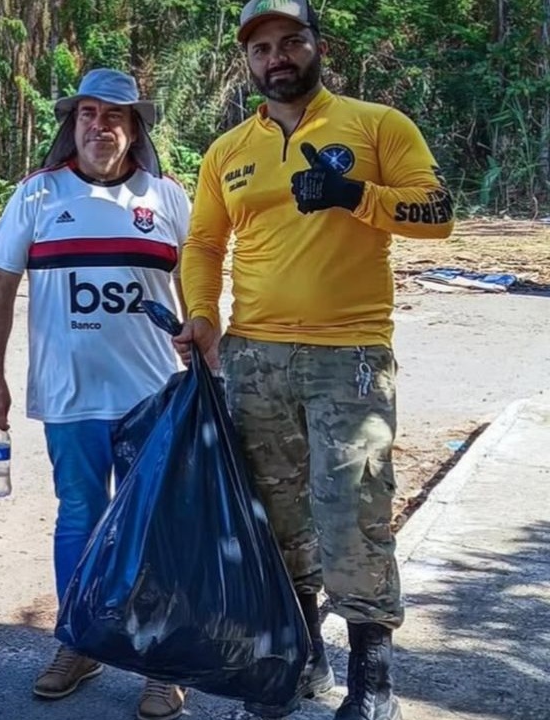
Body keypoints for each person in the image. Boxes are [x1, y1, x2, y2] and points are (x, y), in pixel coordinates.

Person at [175, 2, 455, 718]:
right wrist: (203, 316)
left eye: (291, 41)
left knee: (354, 510)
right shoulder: (229, 151)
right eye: (262, 47)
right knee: (275, 516)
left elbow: (437, 212)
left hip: (349, 355)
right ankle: (302, 663)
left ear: (316, 46)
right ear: (248, 62)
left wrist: (353, 194)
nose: (278, 57)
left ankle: (373, 685)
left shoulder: (375, 126)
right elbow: (203, 245)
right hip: (255, 355)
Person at [0, 68, 190, 720]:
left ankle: (162, 663)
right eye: (88, 114)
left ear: (136, 128)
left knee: (154, 530)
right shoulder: (37, 197)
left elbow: (200, 292)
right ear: (72, 124)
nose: (101, 126)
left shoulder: (169, 199)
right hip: (70, 398)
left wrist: (210, 357)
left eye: (116, 116)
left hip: (153, 397)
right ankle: (80, 642)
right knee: (79, 519)